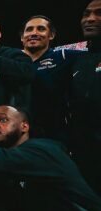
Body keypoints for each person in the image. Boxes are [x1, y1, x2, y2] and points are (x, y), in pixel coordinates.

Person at [21, 15, 81, 142]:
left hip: (54, 135)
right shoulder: (11, 60)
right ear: (22, 37)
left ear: (51, 35)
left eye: (41, 29)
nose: (34, 33)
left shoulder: (63, 55)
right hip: (18, 133)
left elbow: (94, 52)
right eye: (29, 29)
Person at [70, 0, 101, 196]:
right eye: (86, 14)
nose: (90, 19)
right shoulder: (76, 60)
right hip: (85, 154)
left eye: (98, 13)